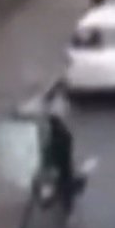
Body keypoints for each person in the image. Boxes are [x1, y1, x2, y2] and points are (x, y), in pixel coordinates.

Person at [40, 90, 80, 220]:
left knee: (65, 175)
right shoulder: (48, 103)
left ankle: (69, 211)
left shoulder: (58, 105)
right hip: (51, 143)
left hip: (60, 145)